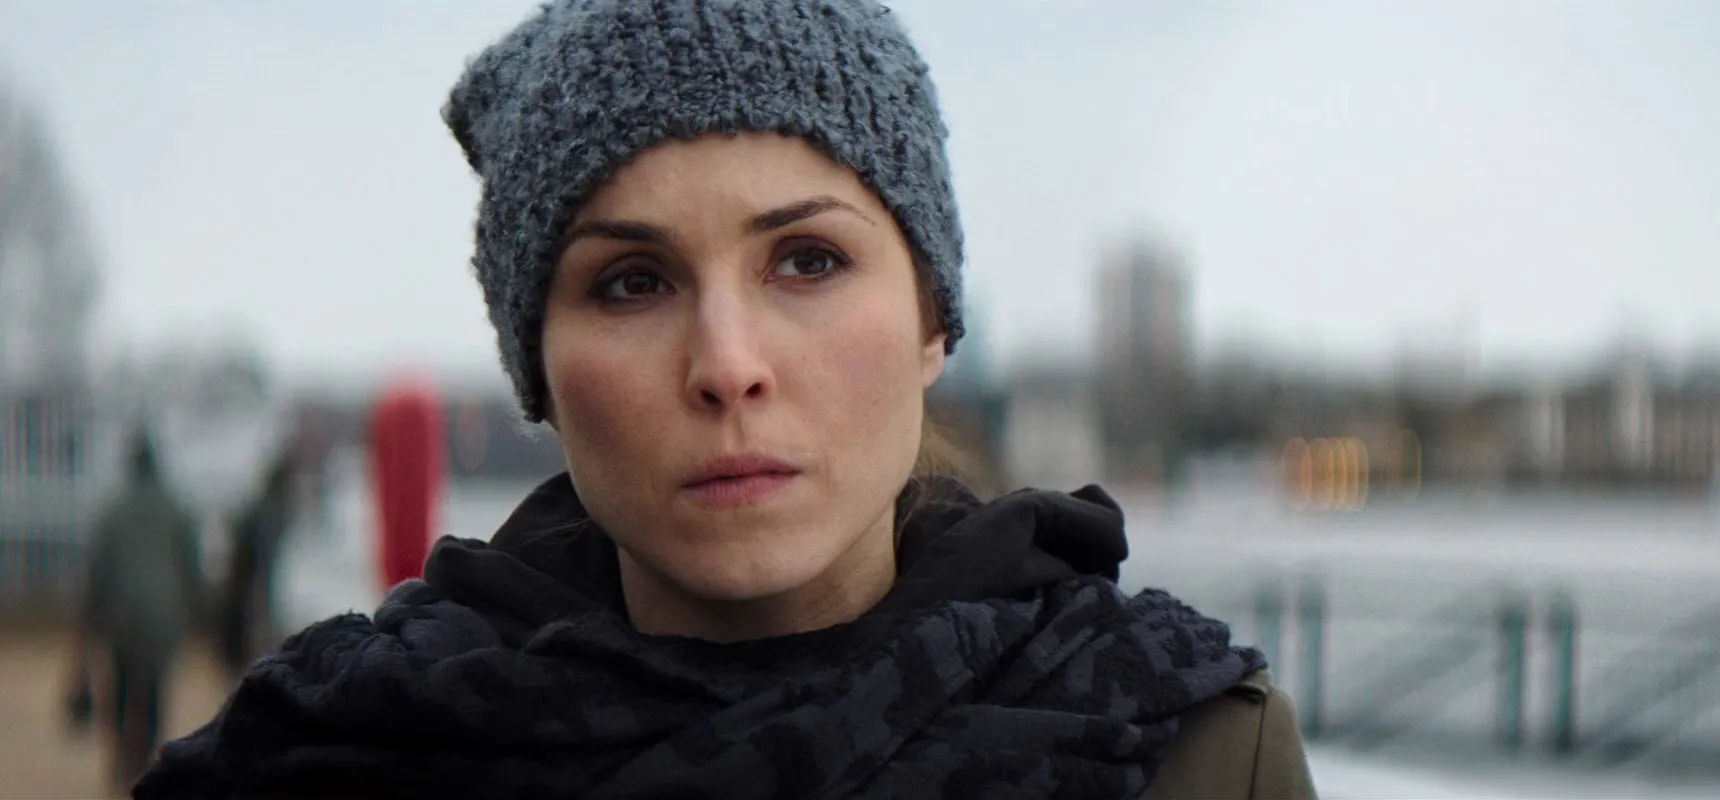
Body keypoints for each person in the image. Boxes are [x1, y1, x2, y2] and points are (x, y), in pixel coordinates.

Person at [135, 2, 1317, 798]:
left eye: (807, 259)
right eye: (632, 281)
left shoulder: (1187, 752)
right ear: (539, 369)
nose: (727, 362)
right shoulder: (337, 751)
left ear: (933, 321)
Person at [71, 428, 206, 794]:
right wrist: (201, 614)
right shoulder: (178, 509)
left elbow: (98, 571)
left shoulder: (113, 512)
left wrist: (90, 620)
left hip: (122, 619)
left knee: (122, 685)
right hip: (165, 620)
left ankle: (122, 757)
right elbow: (193, 568)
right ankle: (147, 759)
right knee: (155, 691)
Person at [216, 444, 303, 677]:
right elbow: (262, 570)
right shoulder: (270, 512)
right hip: (246, 605)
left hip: (239, 600)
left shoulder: (260, 506)